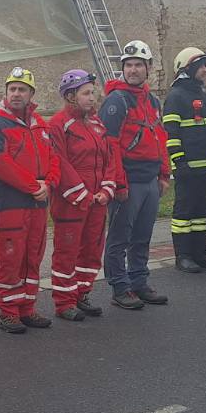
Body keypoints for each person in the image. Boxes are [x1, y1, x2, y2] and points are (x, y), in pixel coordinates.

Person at [0, 67, 61, 333]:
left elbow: (53, 158)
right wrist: (33, 186)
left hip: (38, 202)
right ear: (6, 92)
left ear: (31, 94)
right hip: (12, 202)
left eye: (22, 89)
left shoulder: (40, 124)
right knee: (11, 257)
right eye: (12, 89)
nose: (16, 94)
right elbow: (1, 164)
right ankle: (8, 312)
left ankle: (27, 308)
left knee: (33, 255)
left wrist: (49, 183)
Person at [99, 39, 170, 309]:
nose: (132, 70)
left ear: (148, 67)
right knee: (120, 238)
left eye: (138, 64)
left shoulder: (151, 100)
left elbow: (160, 137)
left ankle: (139, 281)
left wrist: (164, 174)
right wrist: (118, 183)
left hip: (150, 179)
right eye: (128, 65)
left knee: (142, 236)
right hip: (128, 180)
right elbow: (110, 146)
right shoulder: (116, 101)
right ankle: (120, 287)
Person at [47, 69, 122, 316]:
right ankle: (64, 302)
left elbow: (109, 158)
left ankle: (81, 293)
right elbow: (59, 162)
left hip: (97, 201)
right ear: (71, 96)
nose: (92, 97)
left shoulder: (97, 123)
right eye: (86, 93)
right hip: (71, 202)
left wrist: (106, 189)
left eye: (93, 92)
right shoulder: (58, 125)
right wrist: (82, 194)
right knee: (67, 252)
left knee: (91, 250)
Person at [162, 48, 206, 274]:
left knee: (201, 213)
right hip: (187, 168)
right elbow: (171, 133)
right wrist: (179, 162)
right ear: (188, 68)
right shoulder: (176, 97)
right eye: (201, 66)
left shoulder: (201, 94)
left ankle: (199, 253)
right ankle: (183, 256)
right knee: (184, 214)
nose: (205, 70)